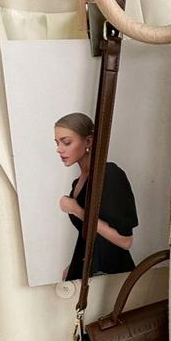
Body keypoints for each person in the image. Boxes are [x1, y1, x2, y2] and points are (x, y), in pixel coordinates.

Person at [54, 112, 138, 280]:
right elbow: (90, 237)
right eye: (57, 143)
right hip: (89, 269)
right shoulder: (78, 183)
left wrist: (76, 210)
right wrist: (76, 265)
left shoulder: (110, 175)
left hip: (111, 274)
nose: (59, 149)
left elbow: (125, 241)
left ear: (88, 141)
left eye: (67, 142)